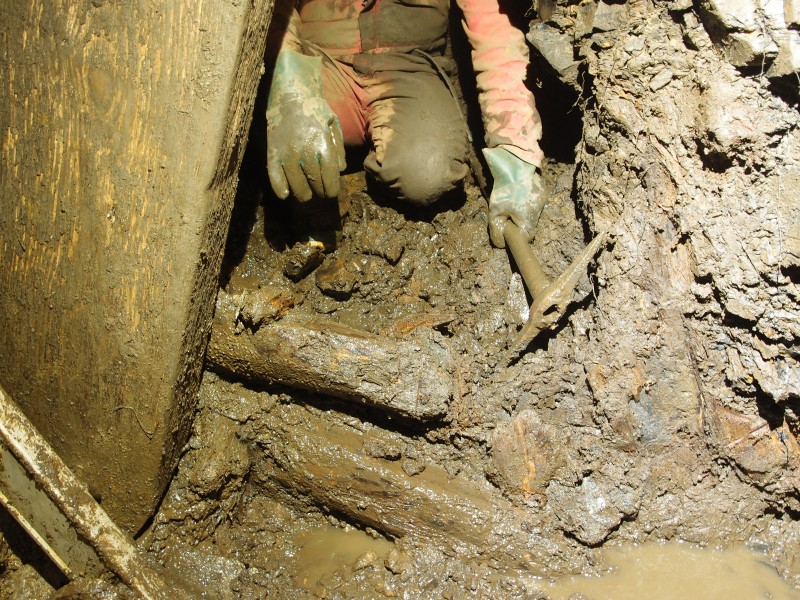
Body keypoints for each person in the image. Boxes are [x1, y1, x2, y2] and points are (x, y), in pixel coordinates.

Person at [265, 0, 545, 250]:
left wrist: (515, 146)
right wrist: (287, 78)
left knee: (428, 174)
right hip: (322, 63)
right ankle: (316, 202)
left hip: (408, 66)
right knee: (297, 134)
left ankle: (355, 170)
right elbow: (273, 10)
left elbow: (492, 27)